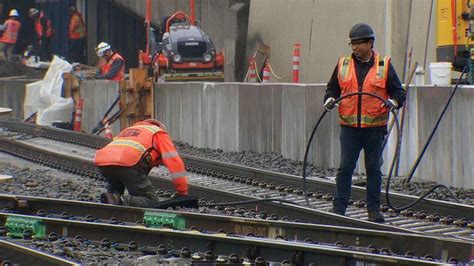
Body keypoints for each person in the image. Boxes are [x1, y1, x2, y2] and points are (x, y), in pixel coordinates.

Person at [324, 23, 405, 223]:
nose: (354, 48)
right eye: (352, 44)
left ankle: (373, 211)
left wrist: (393, 102)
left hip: (374, 129)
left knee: (373, 169)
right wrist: (328, 100)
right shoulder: (343, 64)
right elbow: (331, 89)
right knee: (345, 168)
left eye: (358, 44)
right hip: (350, 128)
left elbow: (399, 93)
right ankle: (339, 209)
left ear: (370, 43)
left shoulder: (383, 66)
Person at [94, 119, 189, 208]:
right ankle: (117, 199)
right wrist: (182, 192)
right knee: (151, 201)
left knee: (114, 193)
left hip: (104, 162)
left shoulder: (129, 130)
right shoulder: (158, 133)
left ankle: (111, 199)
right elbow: (174, 161)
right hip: (128, 163)